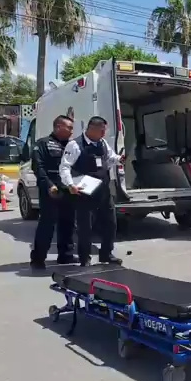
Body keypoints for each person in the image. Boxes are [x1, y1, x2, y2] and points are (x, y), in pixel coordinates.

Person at [60, 116, 124, 266]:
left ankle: (106, 254)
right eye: (101, 131)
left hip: (103, 190)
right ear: (92, 129)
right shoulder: (74, 145)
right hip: (84, 191)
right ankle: (84, 258)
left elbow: (109, 158)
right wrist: (70, 184)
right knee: (85, 227)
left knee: (110, 223)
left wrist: (118, 159)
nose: (103, 134)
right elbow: (65, 167)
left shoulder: (102, 143)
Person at [29, 115, 77, 270]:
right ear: (58, 127)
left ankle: (65, 255)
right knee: (47, 224)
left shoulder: (72, 145)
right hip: (51, 190)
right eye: (68, 127)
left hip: (68, 189)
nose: (71, 131)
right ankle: (38, 258)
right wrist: (49, 185)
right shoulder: (43, 144)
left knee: (68, 223)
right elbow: (38, 167)